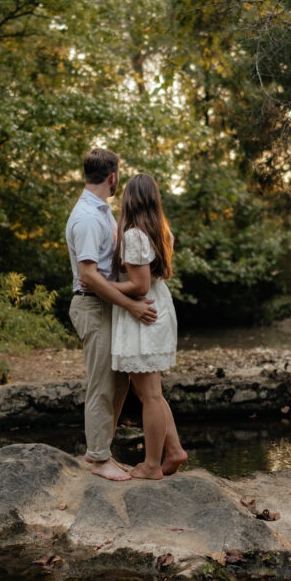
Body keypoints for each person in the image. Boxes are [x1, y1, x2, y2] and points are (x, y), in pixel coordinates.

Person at [66, 148, 157, 482]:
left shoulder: (101, 211)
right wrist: (131, 304)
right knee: (102, 383)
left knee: (116, 381)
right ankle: (100, 459)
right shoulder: (89, 217)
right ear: (113, 177)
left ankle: (98, 450)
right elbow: (88, 275)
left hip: (106, 304)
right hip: (92, 304)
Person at [108, 174, 187, 480]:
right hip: (157, 306)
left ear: (130, 198)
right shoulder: (160, 229)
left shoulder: (134, 235)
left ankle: (152, 465)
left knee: (150, 394)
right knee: (149, 391)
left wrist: (105, 286)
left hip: (146, 312)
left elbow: (140, 285)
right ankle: (175, 449)